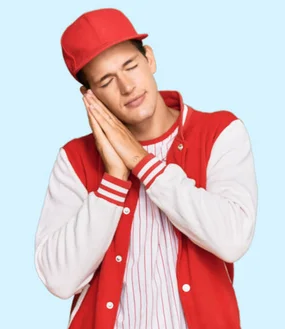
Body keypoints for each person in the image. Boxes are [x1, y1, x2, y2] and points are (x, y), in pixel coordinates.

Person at [34, 7, 258, 329]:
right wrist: (113, 179)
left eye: (131, 66)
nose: (127, 87)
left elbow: (232, 239)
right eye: (107, 81)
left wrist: (140, 161)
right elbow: (58, 278)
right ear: (90, 96)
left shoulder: (220, 133)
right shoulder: (74, 160)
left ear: (149, 59)